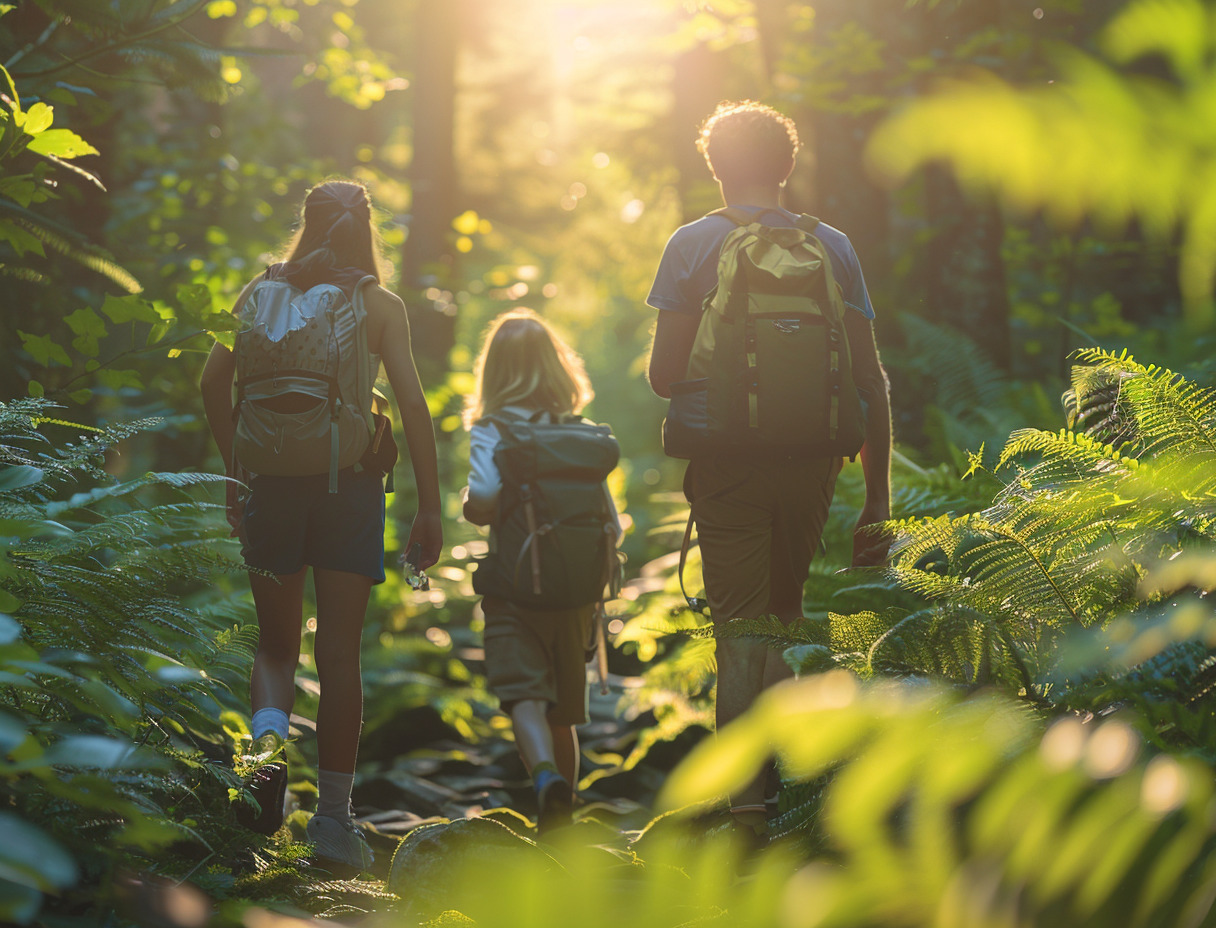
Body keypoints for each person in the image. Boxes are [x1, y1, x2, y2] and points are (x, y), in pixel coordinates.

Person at [645, 101, 893, 839]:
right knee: (784, 622)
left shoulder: (693, 244)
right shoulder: (835, 248)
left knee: (739, 636)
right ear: (788, 167)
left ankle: (748, 815)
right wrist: (875, 499)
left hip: (727, 465)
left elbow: (662, 375)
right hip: (815, 464)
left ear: (715, 166)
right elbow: (870, 379)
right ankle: (790, 802)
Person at [199, 180, 443, 871]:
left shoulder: (257, 295)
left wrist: (235, 470)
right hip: (352, 489)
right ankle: (334, 824)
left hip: (271, 484)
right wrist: (428, 505)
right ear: (366, 230)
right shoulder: (379, 305)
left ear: (305, 227)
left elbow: (212, 384)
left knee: (276, 649)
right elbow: (413, 407)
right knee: (338, 655)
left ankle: (266, 759)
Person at [461, 309, 614, 836]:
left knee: (525, 696)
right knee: (564, 713)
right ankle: (562, 824)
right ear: (557, 368)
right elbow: (611, 521)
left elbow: (482, 498)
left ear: (495, 372)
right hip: (575, 597)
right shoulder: (582, 436)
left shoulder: (493, 430)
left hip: (515, 591)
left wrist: (470, 505)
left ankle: (545, 778)